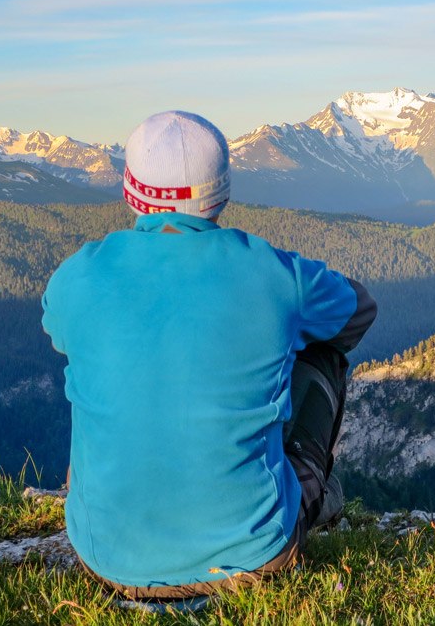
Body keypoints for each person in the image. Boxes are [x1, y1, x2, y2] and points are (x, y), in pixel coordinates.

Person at [41, 110, 377, 603]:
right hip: (250, 555)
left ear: (130, 191)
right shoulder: (273, 272)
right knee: (324, 353)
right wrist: (274, 328)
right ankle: (304, 493)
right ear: (221, 192)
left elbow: (59, 333)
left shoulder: (76, 277)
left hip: (106, 556)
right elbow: (358, 312)